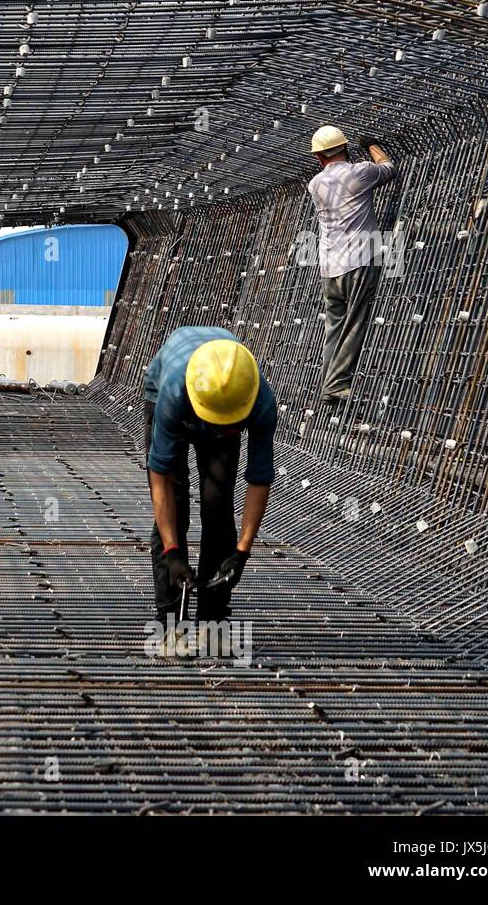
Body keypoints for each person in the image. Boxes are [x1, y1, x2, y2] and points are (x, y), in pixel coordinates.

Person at [143, 327, 277, 656]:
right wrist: (173, 552)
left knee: (218, 509)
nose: (225, 432)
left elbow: (259, 478)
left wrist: (242, 552)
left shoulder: (259, 401)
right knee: (175, 502)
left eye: (232, 425)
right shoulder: (173, 394)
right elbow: (159, 478)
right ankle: (170, 623)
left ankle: (212, 622)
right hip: (172, 394)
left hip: (219, 396)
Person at [307, 125, 396, 405]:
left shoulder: (314, 184)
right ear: (345, 149)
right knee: (355, 324)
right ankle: (335, 385)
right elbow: (389, 167)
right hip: (359, 262)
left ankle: (327, 385)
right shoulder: (361, 172)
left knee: (334, 329)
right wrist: (372, 144)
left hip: (328, 268)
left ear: (319, 158)